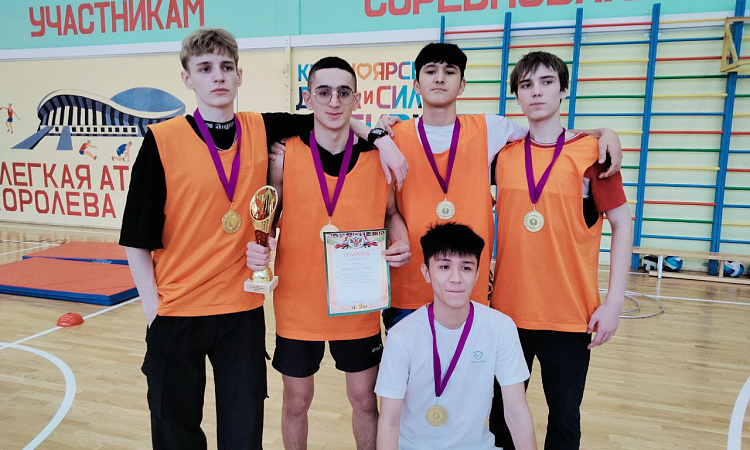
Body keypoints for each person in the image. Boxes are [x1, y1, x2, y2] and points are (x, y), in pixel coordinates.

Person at [119, 29, 407, 449]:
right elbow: (136, 238)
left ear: (240, 75)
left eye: (226, 67)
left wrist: (380, 139)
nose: (218, 76)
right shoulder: (162, 140)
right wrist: (153, 312)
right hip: (178, 307)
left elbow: (331, 118)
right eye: (205, 68)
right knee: (175, 427)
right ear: (187, 79)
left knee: (244, 427)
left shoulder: (261, 128)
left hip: (242, 309)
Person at [374, 43, 624, 332]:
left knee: (468, 362)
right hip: (408, 289)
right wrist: (376, 134)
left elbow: (547, 134)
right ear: (416, 84)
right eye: (431, 72)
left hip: (470, 291)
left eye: (450, 72)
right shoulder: (393, 137)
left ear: (462, 85)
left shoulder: (491, 128)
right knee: (409, 362)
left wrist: (604, 133)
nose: (440, 78)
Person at [245, 56, 410, 450]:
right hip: (299, 301)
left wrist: (401, 240)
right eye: (323, 92)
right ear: (308, 98)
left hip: (358, 300)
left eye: (343, 92)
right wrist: (260, 246)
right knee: (296, 402)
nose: (334, 101)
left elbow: (391, 214)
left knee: (364, 400)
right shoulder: (284, 154)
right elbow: (269, 214)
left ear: (357, 98)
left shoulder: (378, 157)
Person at [488, 51, 631, 449]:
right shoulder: (503, 155)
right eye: (526, 85)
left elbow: (622, 224)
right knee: (501, 418)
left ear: (564, 89)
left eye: (547, 82)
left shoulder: (593, 153)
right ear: (517, 95)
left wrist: (614, 303)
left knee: (564, 420)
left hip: (570, 317)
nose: (536, 92)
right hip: (507, 316)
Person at [375, 223, 536, 450]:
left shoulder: (501, 327)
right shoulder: (402, 335)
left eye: (466, 268)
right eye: (444, 266)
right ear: (426, 272)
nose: (456, 278)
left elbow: (516, 412)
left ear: (478, 274)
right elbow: (389, 421)